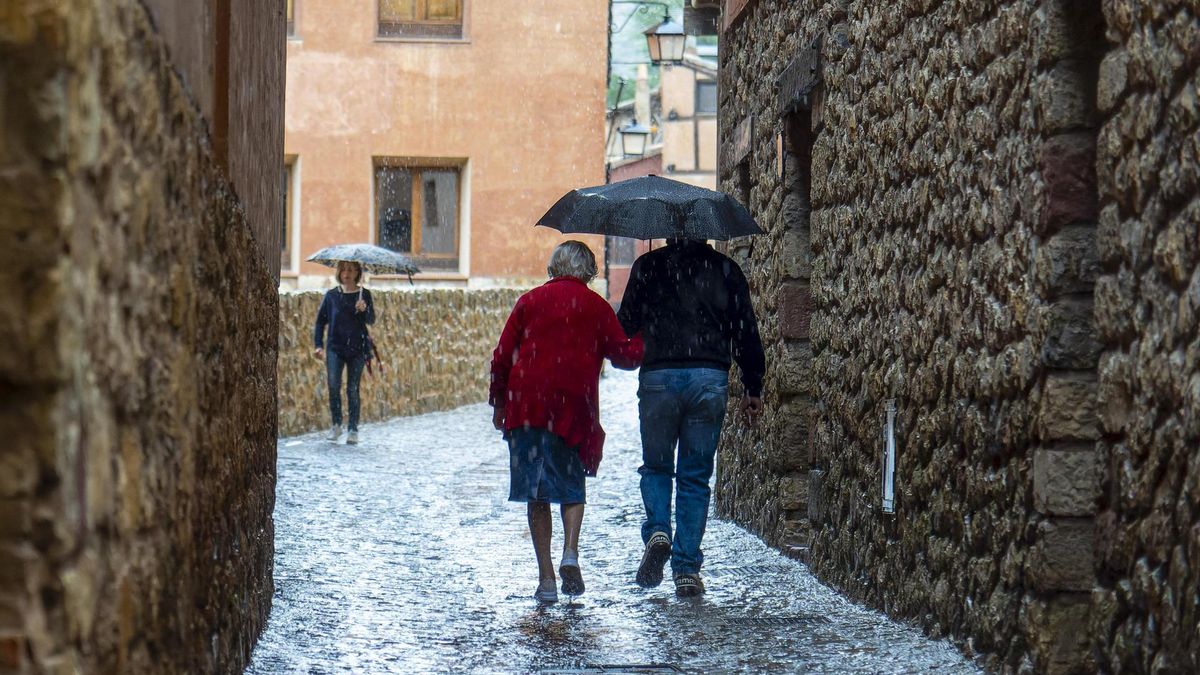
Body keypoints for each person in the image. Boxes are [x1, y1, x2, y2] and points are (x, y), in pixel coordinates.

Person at [490, 241, 643, 604]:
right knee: (571, 486)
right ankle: (570, 552)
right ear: (589, 270)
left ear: (554, 266)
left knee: (536, 493)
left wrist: (499, 402)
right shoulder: (596, 306)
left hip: (527, 408)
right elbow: (624, 356)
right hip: (572, 410)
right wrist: (645, 336)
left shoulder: (529, 302)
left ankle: (546, 580)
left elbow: (502, 356)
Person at [617, 237, 765, 597]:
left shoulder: (648, 266)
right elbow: (745, 330)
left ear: (669, 230)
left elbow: (625, 326)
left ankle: (658, 530)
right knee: (695, 477)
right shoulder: (726, 270)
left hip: (659, 377)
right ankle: (685, 569)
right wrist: (753, 384)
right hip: (708, 378)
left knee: (656, 467)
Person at [313, 260, 376, 445]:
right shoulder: (332, 296)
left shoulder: (364, 295)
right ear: (339, 273)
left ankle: (353, 429)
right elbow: (320, 321)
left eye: (351, 270)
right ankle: (336, 424)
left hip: (357, 348)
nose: (346, 273)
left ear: (357, 273)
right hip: (335, 348)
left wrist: (364, 309)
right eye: (343, 270)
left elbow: (371, 319)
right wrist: (318, 345)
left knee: (352, 389)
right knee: (333, 385)